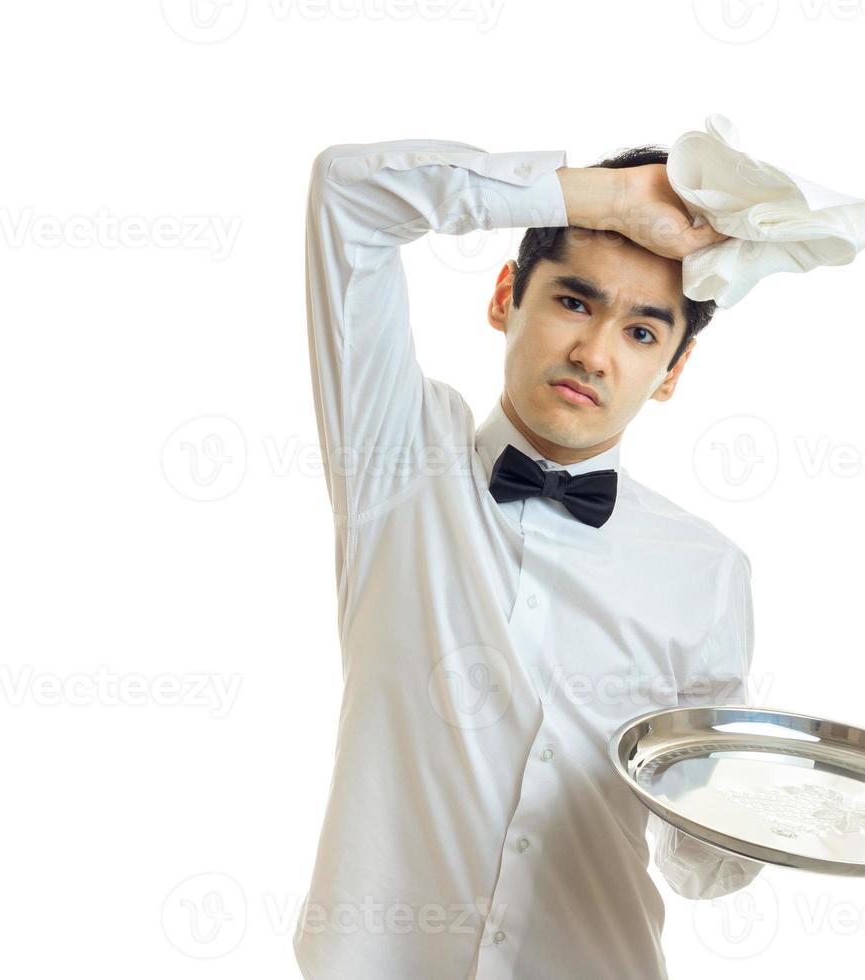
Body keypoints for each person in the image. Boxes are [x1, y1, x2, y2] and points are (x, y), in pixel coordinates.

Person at [296, 135, 766, 980]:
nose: (595, 354)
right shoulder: (398, 462)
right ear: (507, 295)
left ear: (672, 369)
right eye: (575, 303)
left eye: (642, 329)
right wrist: (603, 201)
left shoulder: (709, 573)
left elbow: (701, 868)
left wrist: (765, 809)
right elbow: (348, 196)